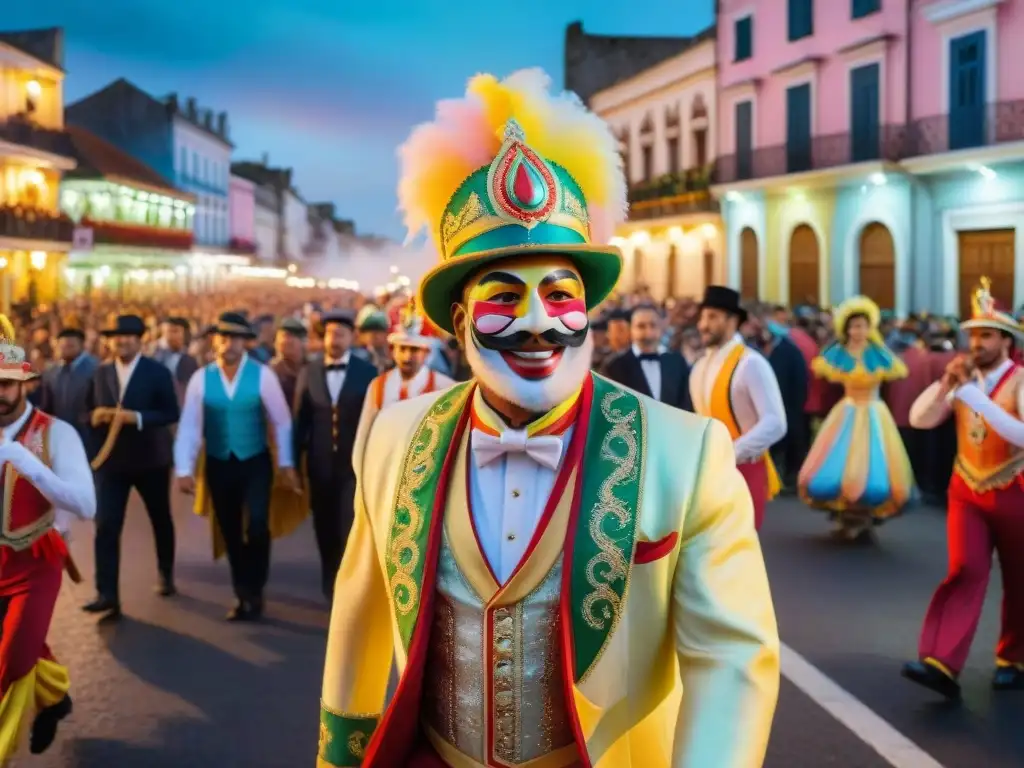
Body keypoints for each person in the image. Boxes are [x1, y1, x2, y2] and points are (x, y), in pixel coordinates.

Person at [316, 69, 779, 768]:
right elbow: (357, 621)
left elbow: (733, 661)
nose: (538, 323)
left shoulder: (685, 454)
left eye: (560, 294)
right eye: (505, 297)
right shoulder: (391, 438)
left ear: (589, 311)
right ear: (461, 320)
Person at [901, 278, 1024, 698]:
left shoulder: (1020, 380)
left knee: (1021, 580)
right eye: (972, 335)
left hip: (1015, 490)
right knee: (964, 569)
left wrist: (973, 397)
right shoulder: (964, 380)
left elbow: (1021, 435)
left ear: (1006, 341)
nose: (976, 343)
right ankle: (942, 661)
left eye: (986, 335)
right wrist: (944, 387)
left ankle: (1014, 657)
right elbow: (920, 419)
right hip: (967, 489)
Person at [0, 315, 96, 762]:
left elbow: (85, 504)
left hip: (33, 564)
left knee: (10, 664)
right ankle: (56, 698)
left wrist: (23, 459)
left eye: (6, 384)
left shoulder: (57, 433)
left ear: (26, 384)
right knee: (21, 644)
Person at [174, 312, 302, 621]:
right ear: (214, 341)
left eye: (234, 338)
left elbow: (282, 421)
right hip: (220, 462)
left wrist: (285, 462)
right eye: (223, 337)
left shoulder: (262, 375)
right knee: (230, 530)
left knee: (257, 526)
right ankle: (241, 591)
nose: (228, 343)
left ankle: (255, 588)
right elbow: (190, 426)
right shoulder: (201, 378)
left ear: (244, 343)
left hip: (255, 461)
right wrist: (184, 469)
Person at [81, 314, 180, 621]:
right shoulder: (100, 373)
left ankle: (165, 571)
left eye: (127, 336)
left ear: (140, 340)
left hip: (150, 459)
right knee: (106, 526)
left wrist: (135, 418)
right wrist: (94, 416)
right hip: (111, 463)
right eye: (115, 337)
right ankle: (107, 594)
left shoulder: (157, 372)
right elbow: (85, 412)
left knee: (159, 518)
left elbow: (169, 412)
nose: (121, 341)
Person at [796, 297, 914, 540]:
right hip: (847, 411)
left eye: (863, 326)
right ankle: (845, 517)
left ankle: (864, 518)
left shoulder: (878, 352)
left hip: (872, 411)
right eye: (854, 326)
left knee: (872, 467)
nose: (858, 331)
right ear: (846, 328)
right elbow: (824, 374)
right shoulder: (837, 352)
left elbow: (897, 373)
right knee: (840, 465)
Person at [293, 312, 377, 599]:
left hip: (353, 467)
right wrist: (293, 464)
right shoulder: (310, 372)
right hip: (319, 465)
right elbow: (299, 421)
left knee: (348, 526)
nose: (334, 338)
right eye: (329, 333)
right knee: (324, 527)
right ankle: (330, 585)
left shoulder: (367, 373)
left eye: (340, 333)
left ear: (351, 338)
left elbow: (376, 420)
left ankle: (349, 587)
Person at [691, 286, 787, 530]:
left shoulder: (751, 363)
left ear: (732, 320)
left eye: (712, 317)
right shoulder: (699, 366)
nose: (703, 324)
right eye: (703, 317)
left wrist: (732, 451)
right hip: (708, 471)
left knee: (738, 555)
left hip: (744, 470)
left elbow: (775, 422)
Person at [354, 303, 455, 454]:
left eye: (414, 350)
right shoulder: (378, 386)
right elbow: (363, 438)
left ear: (426, 353)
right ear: (393, 351)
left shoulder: (445, 388)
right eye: (402, 349)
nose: (407, 357)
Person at [601, 304, 692, 411]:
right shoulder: (614, 366)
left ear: (661, 329)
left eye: (653, 325)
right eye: (641, 326)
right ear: (631, 330)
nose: (648, 332)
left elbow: (686, 404)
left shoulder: (677, 362)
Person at [34, 327, 98, 453]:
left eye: (70, 346)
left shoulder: (96, 369)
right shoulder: (51, 372)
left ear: (82, 345)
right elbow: (46, 407)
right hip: (59, 436)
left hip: (88, 436)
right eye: (61, 346)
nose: (65, 350)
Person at [152, 316, 199, 406]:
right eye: (168, 332)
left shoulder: (189, 359)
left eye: (176, 331)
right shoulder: (152, 355)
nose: (172, 336)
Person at [270, 317, 308, 408]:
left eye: (290, 336)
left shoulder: (313, 368)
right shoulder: (271, 371)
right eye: (282, 337)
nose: (284, 341)